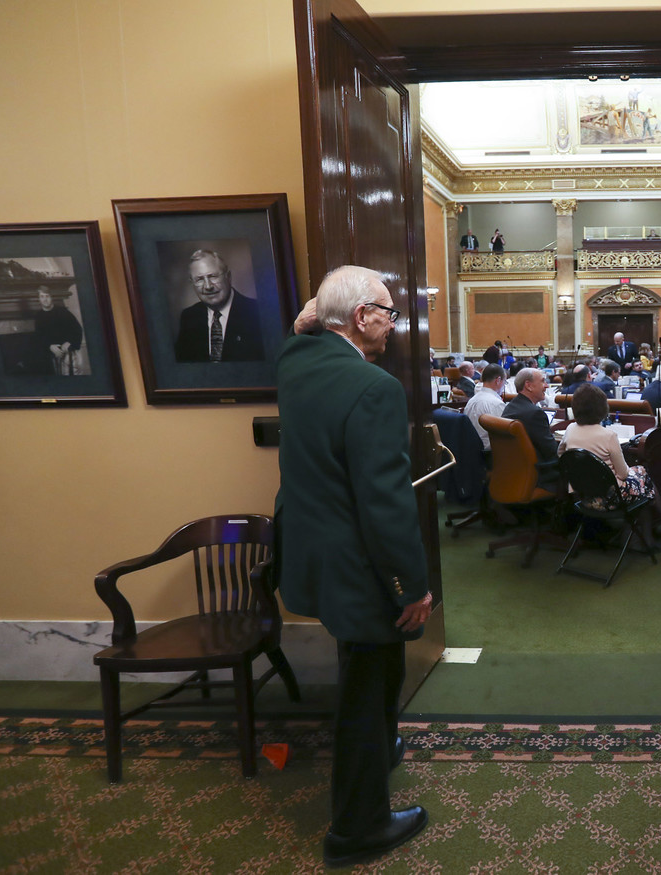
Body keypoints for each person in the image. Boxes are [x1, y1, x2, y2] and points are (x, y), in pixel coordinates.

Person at [274, 265, 433, 868]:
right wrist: (410, 585)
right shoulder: (375, 388)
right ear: (363, 317)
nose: (395, 324)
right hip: (359, 566)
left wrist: (316, 314)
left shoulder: (295, 361)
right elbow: (386, 503)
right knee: (370, 691)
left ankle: (380, 749)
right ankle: (358, 828)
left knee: (357, 676)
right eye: (389, 312)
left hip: (313, 557)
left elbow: (301, 331)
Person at [559, 384, 661, 536]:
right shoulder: (608, 435)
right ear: (602, 407)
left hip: (583, 497)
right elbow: (623, 475)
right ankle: (657, 524)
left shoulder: (570, 429)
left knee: (642, 483)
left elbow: (562, 456)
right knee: (643, 476)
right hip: (609, 499)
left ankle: (645, 532)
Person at [173, 249, 265, 362]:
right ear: (192, 283)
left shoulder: (257, 312)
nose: (208, 286)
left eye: (213, 276)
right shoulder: (189, 316)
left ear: (228, 276)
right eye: (199, 279)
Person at [502, 367, 563, 493]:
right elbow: (552, 451)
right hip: (539, 476)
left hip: (513, 472)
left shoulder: (511, 407)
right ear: (528, 386)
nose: (546, 386)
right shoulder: (535, 413)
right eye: (542, 381)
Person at [32, 284, 83, 375]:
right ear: (39, 299)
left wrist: (69, 342)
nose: (45, 299)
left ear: (51, 297)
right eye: (42, 297)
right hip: (52, 353)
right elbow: (39, 337)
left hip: (68, 350)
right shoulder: (38, 316)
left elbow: (77, 329)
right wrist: (50, 346)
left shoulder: (63, 312)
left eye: (47, 296)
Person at [464, 363, 506, 451]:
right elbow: (504, 434)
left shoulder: (471, 400)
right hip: (491, 453)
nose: (504, 385)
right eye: (504, 382)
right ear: (498, 380)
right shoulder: (496, 403)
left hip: (471, 450)